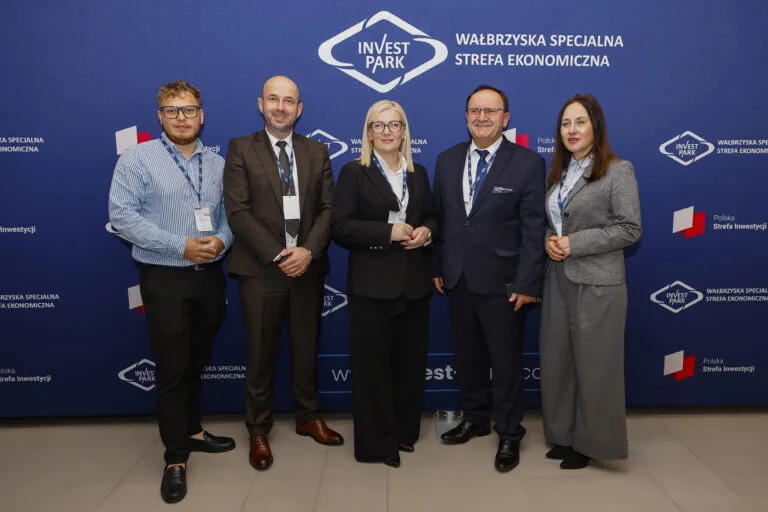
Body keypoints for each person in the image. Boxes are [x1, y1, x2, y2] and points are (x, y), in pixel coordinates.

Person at [108, 80, 235, 503]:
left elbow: (229, 216)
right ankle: (175, 458)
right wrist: (180, 245)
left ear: (202, 115)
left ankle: (192, 431)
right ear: (160, 116)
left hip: (209, 277)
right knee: (173, 368)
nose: (182, 118)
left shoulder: (216, 164)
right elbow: (122, 217)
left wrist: (221, 240)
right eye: (173, 110)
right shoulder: (138, 159)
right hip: (165, 277)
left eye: (189, 110)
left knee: (196, 361)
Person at [223, 75, 343, 472]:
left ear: (299, 109)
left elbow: (328, 209)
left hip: (307, 267)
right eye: (273, 99)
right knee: (261, 353)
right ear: (261, 104)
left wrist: (307, 251)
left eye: (288, 101)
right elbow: (238, 211)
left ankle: (308, 417)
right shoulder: (241, 148)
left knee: (306, 349)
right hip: (261, 270)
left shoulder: (316, 151)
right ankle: (258, 429)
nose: (280, 107)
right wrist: (279, 255)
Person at [431, 85, 547, 472]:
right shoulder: (447, 160)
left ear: (505, 118)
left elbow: (533, 229)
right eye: (475, 110)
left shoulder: (528, 163)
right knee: (467, 357)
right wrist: (437, 266)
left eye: (491, 111)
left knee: (506, 362)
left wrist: (528, 283)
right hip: (458, 278)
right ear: (466, 116)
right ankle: (476, 418)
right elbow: (442, 220)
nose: (482, 117)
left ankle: (510, 432)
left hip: (504, 283)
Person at [331, 100, 436, 468]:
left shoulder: (418, 173)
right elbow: (340, 227)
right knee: (372, 369)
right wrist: (386, 232)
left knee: (409, 367)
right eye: (379, 125)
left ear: (404, 132)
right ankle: (377, 445)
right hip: (371, 286)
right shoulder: (353, 172)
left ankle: (404, 433)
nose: (388, 131)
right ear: (369, 132)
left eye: (394, 124)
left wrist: (426, 233)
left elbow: (433, 217)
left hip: (414, 284)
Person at [539, 93, 641, 469]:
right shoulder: (559, 173)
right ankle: (564, 436)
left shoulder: (618, 170)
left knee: (596, 367)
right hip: (558, 279)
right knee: (559, 362)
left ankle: (591, 443)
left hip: (599, 283)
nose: (572, 130)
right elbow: (553, 222)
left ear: (595, 126)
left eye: (580, 122)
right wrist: (549, 241)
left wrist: (575, 244)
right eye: (565, 123)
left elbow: (630, 228)